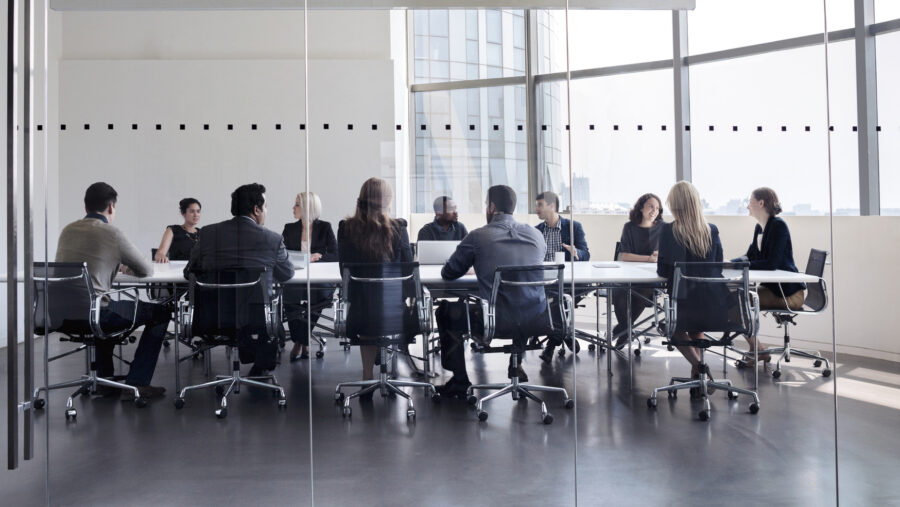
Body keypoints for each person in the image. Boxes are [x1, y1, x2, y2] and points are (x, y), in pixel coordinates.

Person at [55, 182, 170, 400]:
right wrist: (124, 265)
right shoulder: (111, 233)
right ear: (110, 207)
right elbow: (145, 269)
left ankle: (105, 380)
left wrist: (114, 264)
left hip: (61, 313)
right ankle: (137, 384)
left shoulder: (67, 230)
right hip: (97, 312)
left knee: (103, 308)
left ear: (85, 205)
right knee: (161, 313)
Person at [436, 185, 548, 398]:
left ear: (493, 207)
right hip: (536, 318)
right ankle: (516, 362)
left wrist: (476, 264)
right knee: (520, 300)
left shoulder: (478, 237)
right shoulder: (536, 235)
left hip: (495, 320)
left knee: (446, 311)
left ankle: (460, 380)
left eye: (487, 205)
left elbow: (449, 273)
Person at [184, 183, 295, 376]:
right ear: (256, 209)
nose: (266, 211)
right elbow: (287, 274)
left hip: (213, 315)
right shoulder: (272, 239)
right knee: (267, 306)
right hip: (257, 319)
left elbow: (189, 272)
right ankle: (260, 366)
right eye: (266, 206)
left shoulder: (208, 234)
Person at [337, 177, 413, 383]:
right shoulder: (399, 228)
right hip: (394, 312)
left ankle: (367, 374)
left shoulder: (346, 228)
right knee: (383, 311)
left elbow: (344, 271)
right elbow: (408, 269)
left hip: (359, 313)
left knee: (368, 315)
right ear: (388, 201)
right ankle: (388, 370)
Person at [656, 181, 724, 386]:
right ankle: (699, 376)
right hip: (713, 303)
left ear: (675, 205)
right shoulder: (711, 230)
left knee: (672, 327)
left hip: (683, 301)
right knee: (696, 327)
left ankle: (700, 367)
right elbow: (718, 266)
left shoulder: (669, 230)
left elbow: (663, 270)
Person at [735, 186, 805, 366]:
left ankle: (757, 350)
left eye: (750, 202)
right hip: (774, 290)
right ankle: (758, 349)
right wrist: (729, 263)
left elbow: (771, 263)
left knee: (737, 302)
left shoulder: (778, 226)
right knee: (736, 299)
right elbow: (750, 256)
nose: (747, 206)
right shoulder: (760, 228)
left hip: (788, 294)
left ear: (761, 202)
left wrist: (740, 264)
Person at [282, 192, 337, 361]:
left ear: (308, 208)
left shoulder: (325, 227)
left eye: (297, 204)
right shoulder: (289, 228)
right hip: (296, 277)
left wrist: (317, 256)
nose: (293, 207)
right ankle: (303, 341)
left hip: (318, 278)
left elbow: (336, 254)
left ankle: (299, 342)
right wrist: (303, 258)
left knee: (317, 293)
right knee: (289, 295)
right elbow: (282, 254)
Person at [611, 193, 665, 350]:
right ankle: (626, 330)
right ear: (641, 208)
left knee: (644, 290)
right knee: (618, 292)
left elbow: (666, 252)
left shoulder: (663, 228)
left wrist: (659, 255)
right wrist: (648, 258)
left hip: (652, 277)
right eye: (650, 206)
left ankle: (623, 330)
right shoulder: (629, 227)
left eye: (657, 208)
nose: (654, 211)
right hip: (628, 274)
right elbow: (625, 256)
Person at [535, 190, 589, 262]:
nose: (536, 208)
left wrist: (576, 252)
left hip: (565, 272)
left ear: (552, 206)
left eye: (540, 205)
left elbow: (586, 255)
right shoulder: (536, 230)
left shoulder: (574, 227)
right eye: (536, 205)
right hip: (543, 272)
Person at [153, 198, 201, 262]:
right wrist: (161, 256)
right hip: (177, 270)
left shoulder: (203, 233)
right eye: (192, 211)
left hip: (199, 270)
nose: (196, 215)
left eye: (198, 211)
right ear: (183, 213)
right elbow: (160, 253)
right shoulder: (173, 230)